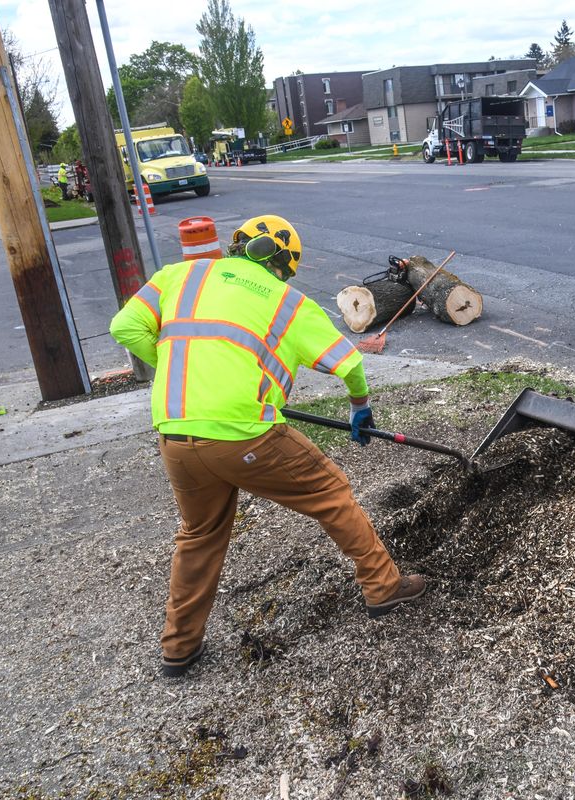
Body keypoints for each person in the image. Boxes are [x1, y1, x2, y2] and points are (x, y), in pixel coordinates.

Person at [109, 214, 425, 678]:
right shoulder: (287, 302)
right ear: (285, 265)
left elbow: (124, 327)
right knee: (332, 493)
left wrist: (181, 369)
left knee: (199, 535)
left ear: (237, 246)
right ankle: (383, 585)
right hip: (245, 434)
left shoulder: (179, 275)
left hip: (176, 435)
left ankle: (178, 648)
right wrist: (360, 407)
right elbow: (349, 363)